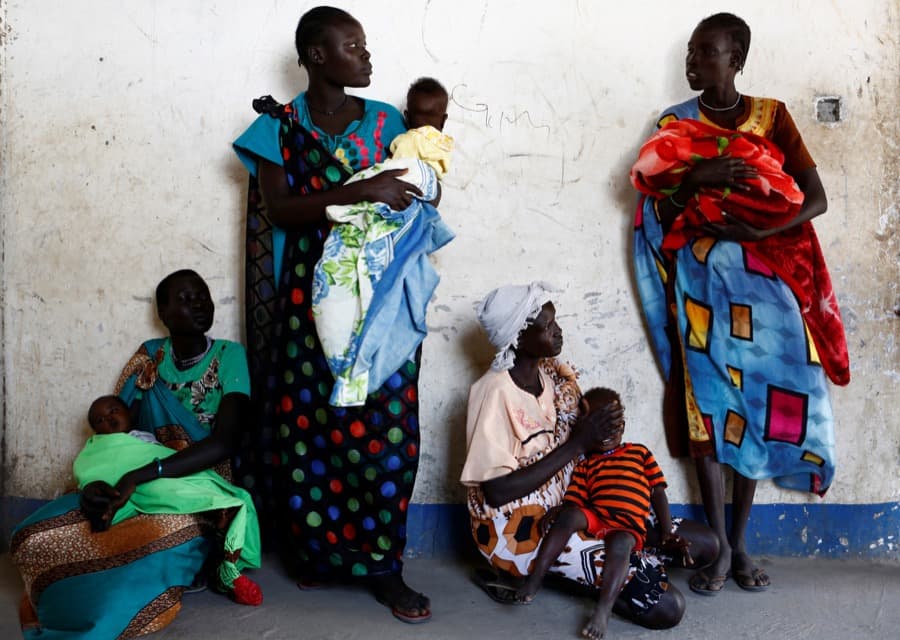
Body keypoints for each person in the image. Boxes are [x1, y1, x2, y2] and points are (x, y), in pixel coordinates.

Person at [630, 12, 850, 596]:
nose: (693, 62)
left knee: (755, 409)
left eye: (706, 52)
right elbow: (658, 209)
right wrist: (697, 175)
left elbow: (815, 199)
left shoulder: (772, 117)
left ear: (737, 59)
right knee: (707, 411)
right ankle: (721, 550)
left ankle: (743, 542)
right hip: (701, 291)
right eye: (691, 53)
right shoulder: (673, 124)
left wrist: (761, 233)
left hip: (765, 291)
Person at [232, 5, 431, 623]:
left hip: (379, 301)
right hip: (305, 304)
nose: (366, 55)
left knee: (386, 433)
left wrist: (388, 196)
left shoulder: (387, 122)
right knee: (310, 428)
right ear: (318, 56)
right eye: (354, 45)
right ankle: (318, 555)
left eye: (364, 45)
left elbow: (414, 189)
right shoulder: (278, 127)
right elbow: (282, 209)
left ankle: (384, 567)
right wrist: (358, 192)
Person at [461, 282, 719, 631]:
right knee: (666, 609)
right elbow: (495, 492)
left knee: (706, 544)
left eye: (556, 322)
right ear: (519, 337)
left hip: (583, 504)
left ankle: (602, 564)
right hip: (520, 528)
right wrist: (577, 445)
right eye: (548, 326)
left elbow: (589, 434)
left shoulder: (551, 374)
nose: (558, 330)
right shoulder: (493, 392)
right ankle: (578, 571)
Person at [11, 269, 254, 637]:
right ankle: (51, 595)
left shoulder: (229, 355)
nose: (199, 304)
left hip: (198, 495)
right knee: (33, 535)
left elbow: (225, 442)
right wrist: (96, 485)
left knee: (148, 549)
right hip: (133, 486)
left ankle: (91, 616)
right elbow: (113, 432)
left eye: (203, 295)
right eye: (185, 299)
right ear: (163, 313)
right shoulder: (149, 358)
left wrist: (139, 476)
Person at [312, 76, 455, 407]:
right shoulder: (427, 141)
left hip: (404, 194)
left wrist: (371, 184)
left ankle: (355, 375)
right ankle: (353, 374)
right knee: (343, 287)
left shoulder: (422, 143)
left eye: (430, 117)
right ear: (407, 115)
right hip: (387, 200)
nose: (424, 124)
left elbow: (418, 180)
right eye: (418, 117)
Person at [515, 387, 691, 639]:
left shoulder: (639, 453)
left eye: (613, 423)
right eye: (600, 424)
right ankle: (535, 578)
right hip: (597, 517)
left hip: (627, 526)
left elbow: (658, 492)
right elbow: (575, 500)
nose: (608, 431)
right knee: (570, 517)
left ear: (624, 424)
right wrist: (560, 511)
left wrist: (665, 532)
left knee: (621, 546)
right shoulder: (586, 464)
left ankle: (603, 611)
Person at [80, 394, 262, 606]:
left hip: (152, 475)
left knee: (184, 488)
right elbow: (90, 467)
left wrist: (143, 472)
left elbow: (160, 460)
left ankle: (219, 516)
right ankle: (215, 520)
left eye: (113, 411)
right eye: (99, 420)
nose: (109, 420)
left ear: (129, 413)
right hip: (138, 484)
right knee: (160, 492)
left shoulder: (143, 437)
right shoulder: (98, 447)